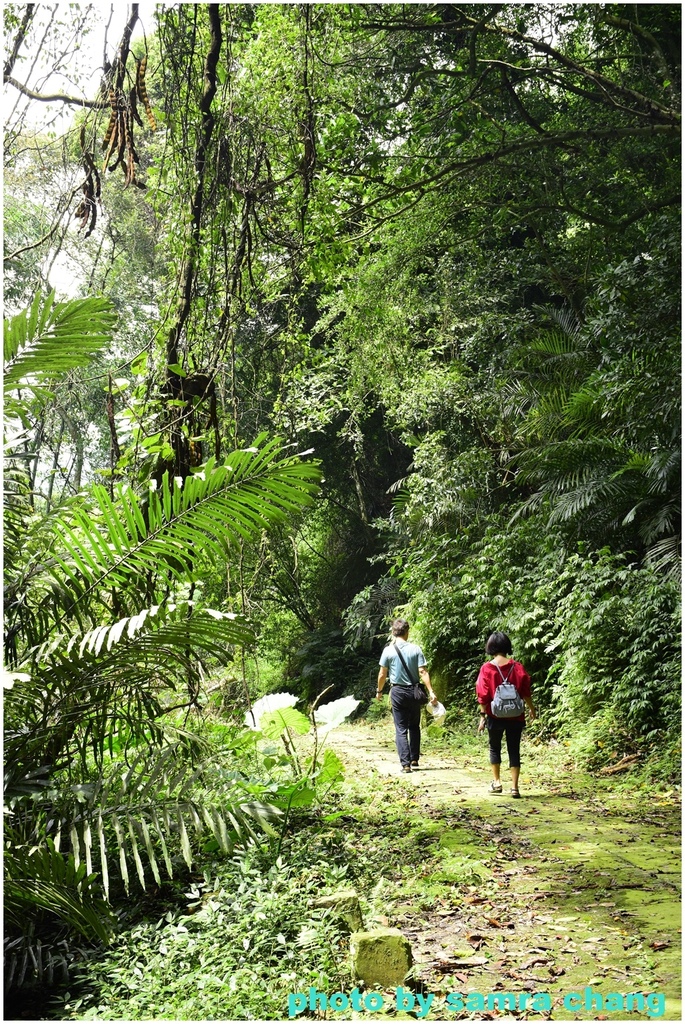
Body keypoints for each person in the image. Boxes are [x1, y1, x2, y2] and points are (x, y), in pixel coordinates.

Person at [476, 631, 535, 798]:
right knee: (514, 749)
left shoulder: (486, 668)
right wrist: (531, 708)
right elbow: (525, 691)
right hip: (516, 715)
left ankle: (497, 782)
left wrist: (482, 716)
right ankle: (515, 787)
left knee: (494, 747)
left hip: (495, 715)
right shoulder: (518, 667)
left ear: (491, 647)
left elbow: (483, 694)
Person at [377, 619, 438, 773]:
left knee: (401, 728)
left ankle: (405, 764)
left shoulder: (388, 650)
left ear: (393, 632)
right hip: (414, 692)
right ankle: (414, 758)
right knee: (414, 726)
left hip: (397, 692)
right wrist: (431, 691)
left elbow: (382, 674)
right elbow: (423, 672)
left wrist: (379, 691)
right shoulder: (415, 649)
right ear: (407, 632)